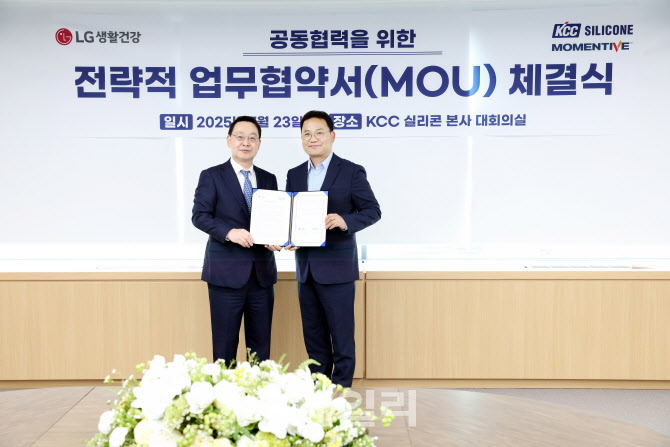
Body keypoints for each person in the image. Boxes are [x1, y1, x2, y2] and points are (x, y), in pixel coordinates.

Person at [286, 110, 381, 386]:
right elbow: (291, 216)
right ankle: (319, 386)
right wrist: (288, 236)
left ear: (332, 136)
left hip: (338, 269)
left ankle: (341, 391)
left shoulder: (351, 171)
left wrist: (344, 221)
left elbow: (373, 211)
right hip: (306, 269)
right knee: (313, 335)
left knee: (341, 335)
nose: (312, 138)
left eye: (319, 133)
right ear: (301, 139)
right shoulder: (294, 174)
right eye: (306, 134)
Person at [192, 115, 282, 364]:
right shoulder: (211, 176)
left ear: (259, 143)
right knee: (224, 348)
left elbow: (274, 219)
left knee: (260, 349)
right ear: (229, 140)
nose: (246, 143)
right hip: (225, 275)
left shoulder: (269, 178)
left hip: (262, 276)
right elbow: (200, 216)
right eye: (240, 137)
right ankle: (224, 390)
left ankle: (259, 388)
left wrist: (278, 238)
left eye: (252, 138)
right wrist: (229, 232)